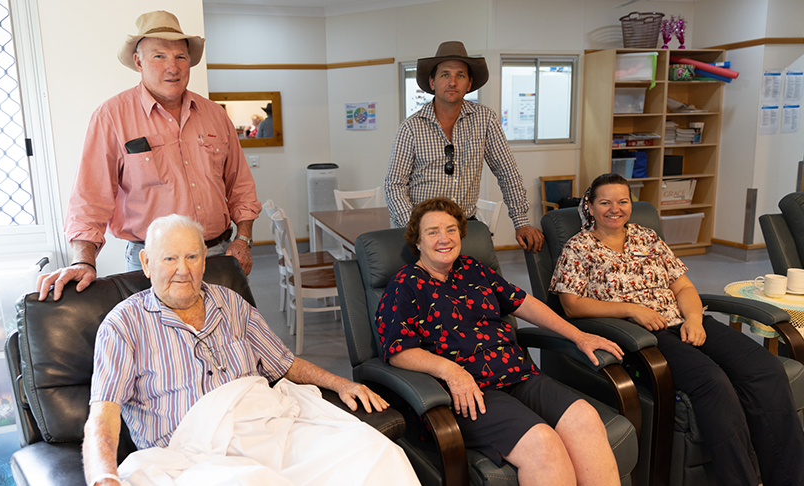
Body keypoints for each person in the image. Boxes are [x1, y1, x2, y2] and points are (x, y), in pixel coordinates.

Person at [83, 214, 420, 486]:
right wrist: (103, 476)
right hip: (192, 453)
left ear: (205, 259)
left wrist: (341, 383)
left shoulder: (230, 302)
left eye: (192, 256)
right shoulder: (123, 325)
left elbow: (285, 364)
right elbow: (104, 413)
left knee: (373, 451)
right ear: (146, 263)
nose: (182, 270)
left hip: (269, 425)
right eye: (169, 258)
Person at [549, 173, 804, 486]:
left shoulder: (647, 237)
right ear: (589, 206)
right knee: (712, 381)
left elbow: (682, 285)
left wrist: (695, 319)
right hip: (639, 337)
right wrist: (631, 309)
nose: (614, 209)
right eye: (605, 202)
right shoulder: (579, 247)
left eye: (622, 201)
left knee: (765, 368)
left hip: (684, 321)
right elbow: (572, 304)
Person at [376, 197, 624, 486]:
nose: (444, 238)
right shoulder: (404, 285)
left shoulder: (473, 269)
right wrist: (452, 371)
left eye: (451, 229)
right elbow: (397, 351)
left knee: (585, 417)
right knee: (543, 443)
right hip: (469, 391)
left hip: (517, 373)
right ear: (417, 241)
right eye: (432, 232)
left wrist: (578, 335)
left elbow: (524, 303)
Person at [37, 10, 259, 303]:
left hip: (215, 255)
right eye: (159, 56)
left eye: (180, 57)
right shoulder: (112, 116)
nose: (172, 67)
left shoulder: (215, 115)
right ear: (139, 61)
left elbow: (240, 185)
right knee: (157, 346)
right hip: (151, 262)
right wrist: (84, 261)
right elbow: (89, 198)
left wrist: (243, 239)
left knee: (225, 342)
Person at [384, 41, 544, 252]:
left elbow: (507, 172)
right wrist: (416, 228)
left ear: (469, 84)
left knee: (475, 283)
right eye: (444, 75)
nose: (452, 82)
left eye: (460, 75)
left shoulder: (485, 119)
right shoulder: (411, 127)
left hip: (463, 226)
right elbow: (394, 185)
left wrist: (521, 221)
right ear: (432, 82)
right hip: (420, 230)